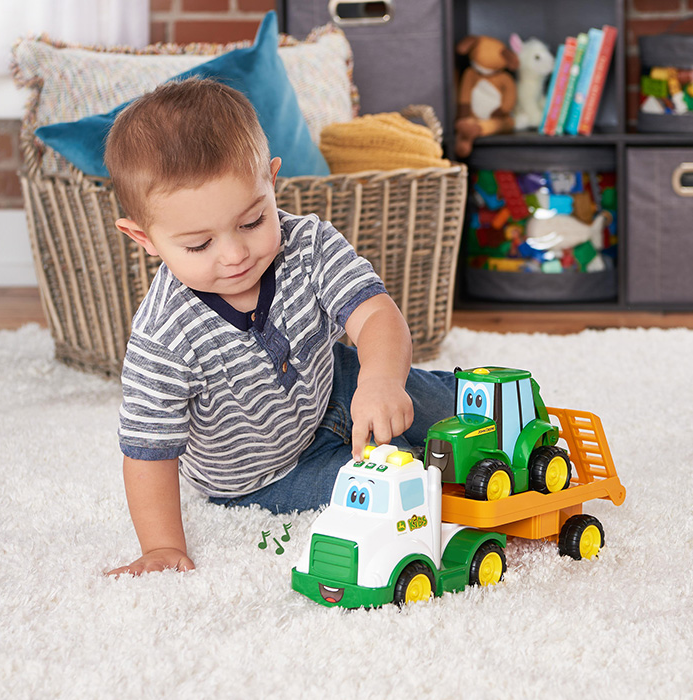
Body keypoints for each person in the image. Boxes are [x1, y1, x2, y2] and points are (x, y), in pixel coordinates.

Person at [104, 78, 455, 576]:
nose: (235, 255)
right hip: (267, 475)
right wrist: (161, 545)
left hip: (335, 386)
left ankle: (521, 432)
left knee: (460, 409)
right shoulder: (163, 336)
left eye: (251, 222)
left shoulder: (307, 243)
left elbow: (377, 314)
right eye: (199, 245)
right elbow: (148, 453)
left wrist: (380, 380)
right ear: (144, 238)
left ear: (271, 182)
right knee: (397, 487)